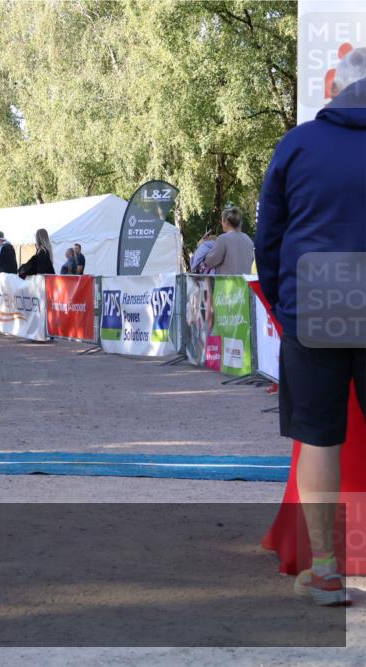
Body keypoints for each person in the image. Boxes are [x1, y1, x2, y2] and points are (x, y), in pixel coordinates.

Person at [255, 47, 366, 606]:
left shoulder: (297, 144)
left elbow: (268, 238)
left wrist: (284, 303)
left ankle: (325, 569)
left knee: (318, 438)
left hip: (315, 294)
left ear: (335, 90)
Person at [204, 206, 254, 275]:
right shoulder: (249, 240)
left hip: (226, 284)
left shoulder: (223, 239)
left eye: (222, 221)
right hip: (244, 285)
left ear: (226, 222)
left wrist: (204, 246)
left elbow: (209, 262)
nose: (221, 224)